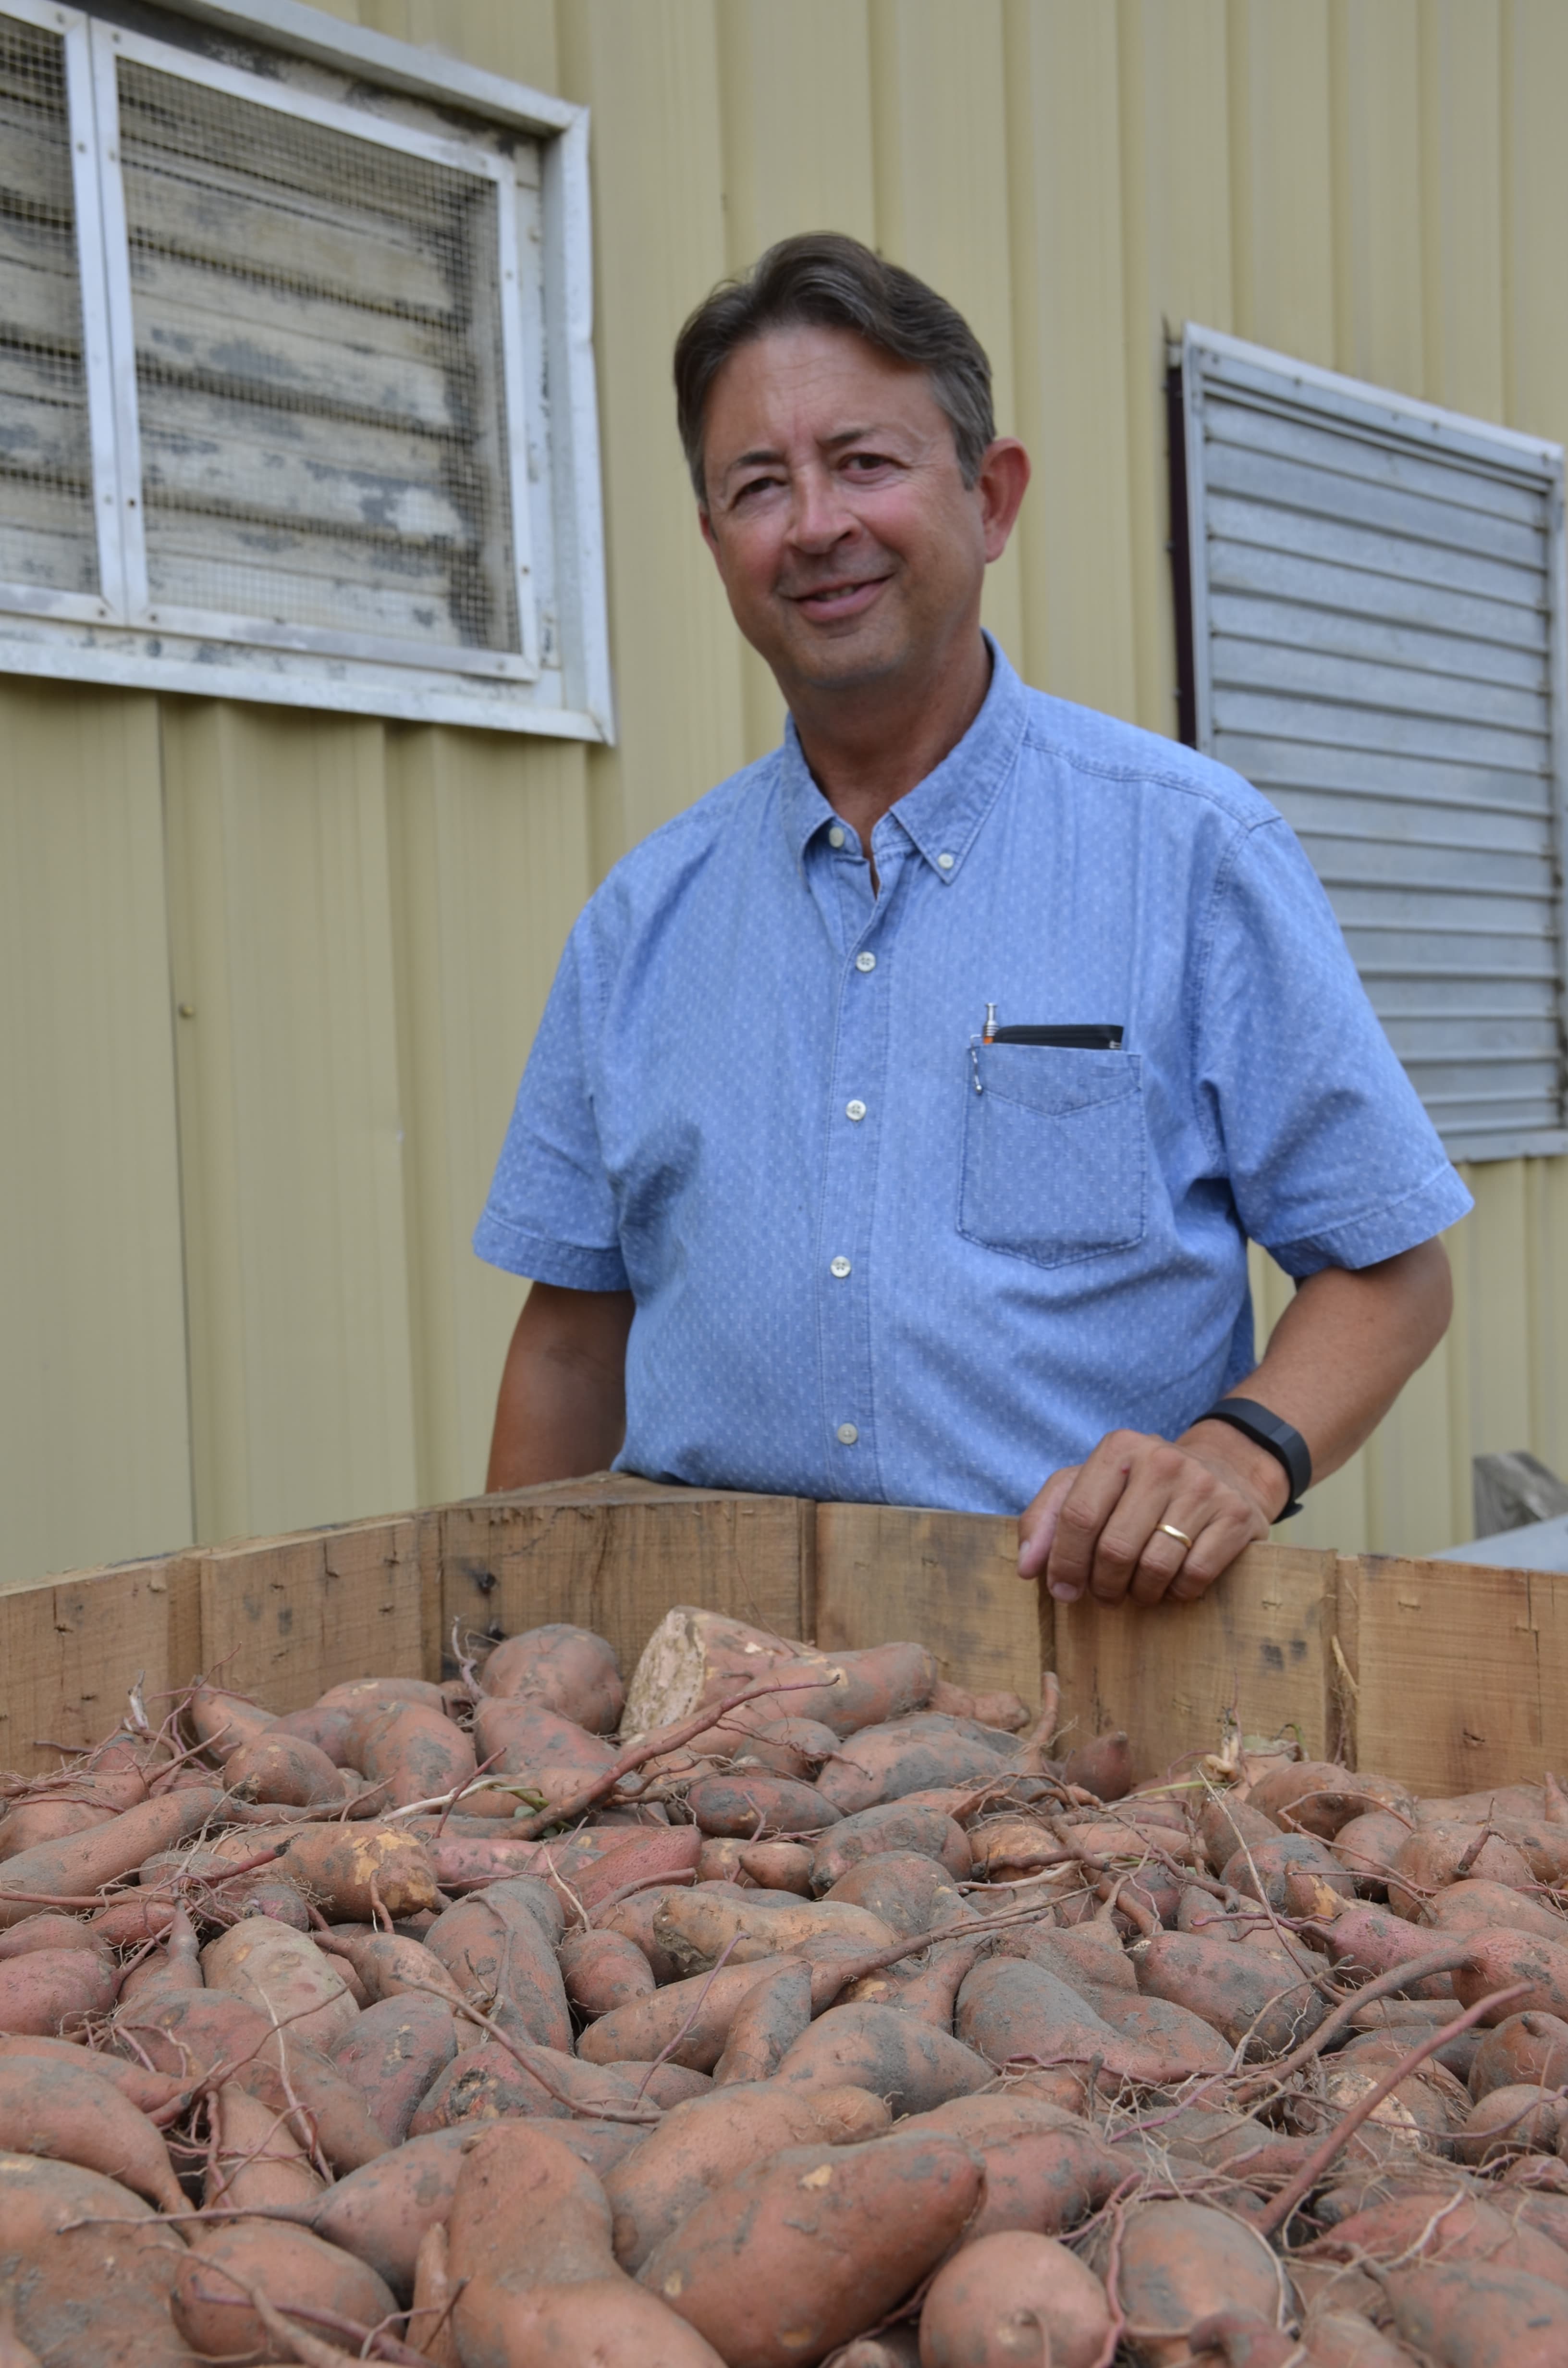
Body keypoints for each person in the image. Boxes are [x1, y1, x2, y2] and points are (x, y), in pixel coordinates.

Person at [474, 233, 1470, 1614]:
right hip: (705, 1719)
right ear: (716, 544)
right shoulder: (642, 920)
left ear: (990, 498)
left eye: (865, 463)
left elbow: (1391, 1271)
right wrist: (507, 1653)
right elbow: (574, 1351)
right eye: (758, 486)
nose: (815, 524)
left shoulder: (1190, 853)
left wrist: (1238, 1456)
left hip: (1088, 1688)